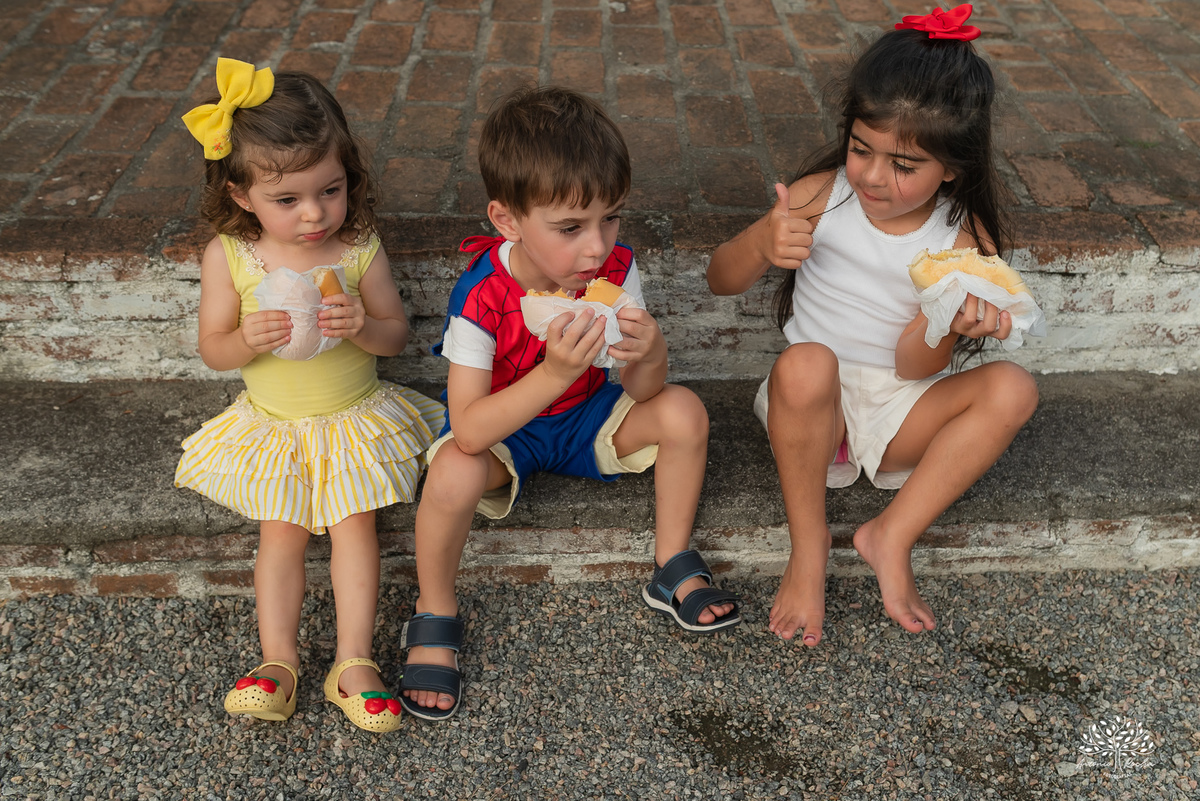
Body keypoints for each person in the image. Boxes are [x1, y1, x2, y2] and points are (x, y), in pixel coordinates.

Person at [401, 85, 740, 721]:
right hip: (506, 432)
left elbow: (643, 391)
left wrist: (651, 351)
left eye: (611, 218)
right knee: (449, 472)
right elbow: (470, 430)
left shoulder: (614, 270)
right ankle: (434, 607)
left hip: (588, 418)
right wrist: (554, 373)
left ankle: (671, 563)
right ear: (507, 221)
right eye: (570, 228)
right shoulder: (480, 297)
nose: (596, 246)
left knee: (685, 410)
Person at [707, 5, 1039, 646]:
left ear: (952, 168)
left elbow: (915, 366)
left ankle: (892, 534)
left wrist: (944, 325)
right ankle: (809, 547)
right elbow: (721, 279)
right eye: (861, 149)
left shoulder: (963, 240)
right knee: (807, 362)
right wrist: (760, 243)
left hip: (901, 407)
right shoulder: (821, 196)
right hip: (811, 410)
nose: (873, 177)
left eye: (904, 166)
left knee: (1014, 388)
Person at [175, 58, 444, 732]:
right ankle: (279, 661)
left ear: (349, 176)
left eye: (330, 189)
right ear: (242, 195)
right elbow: (213, 348)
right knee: (281, 535)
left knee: (357, 530)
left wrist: (364, 325)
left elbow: (395, 334)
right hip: (275, 425)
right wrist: (246, 339)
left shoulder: (357, 249)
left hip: (353, 419)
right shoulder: (231, 256)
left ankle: (353, 661)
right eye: (288, 200)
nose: (316, 213)